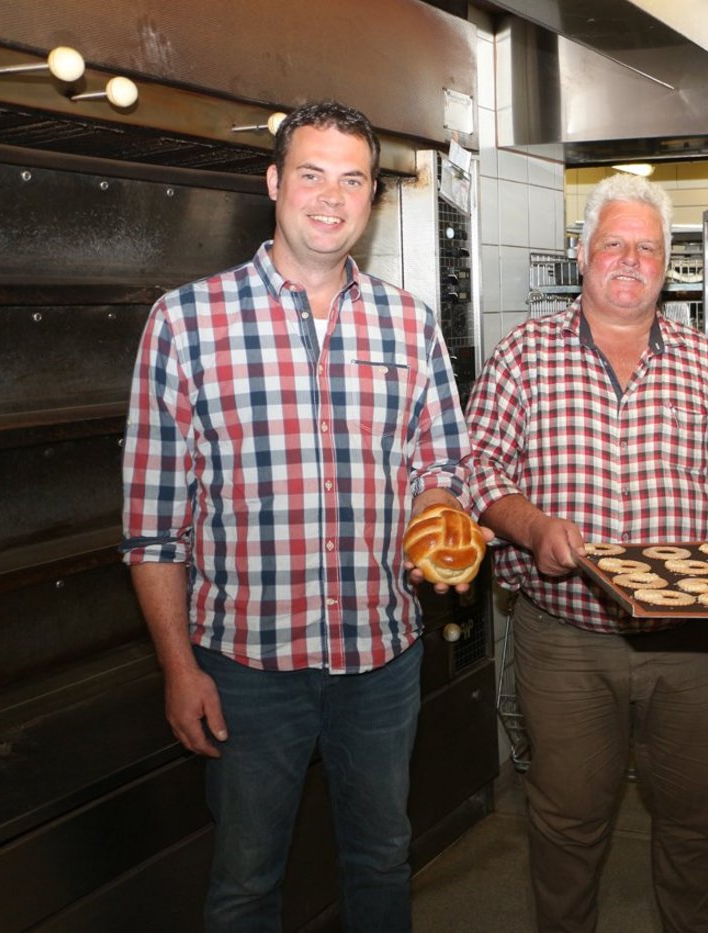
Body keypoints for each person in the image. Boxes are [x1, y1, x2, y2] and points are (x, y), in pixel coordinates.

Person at [121, 99, 474, 931]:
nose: (331, 196)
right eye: (311, 174)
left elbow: (440, 465)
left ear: (372, 197)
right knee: (246, 882)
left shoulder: (409, 325)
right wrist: (179, 667)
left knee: (382, 860)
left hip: (380, 657)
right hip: (247, 666)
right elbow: (153, 523)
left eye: (352, 179)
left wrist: (437, 515)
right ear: (274, 182)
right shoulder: (186, 322)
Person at [457, 173, 708, 933]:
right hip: (567, 640)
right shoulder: (525, 354)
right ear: (582, 254)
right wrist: (533, 527)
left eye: (648, 248)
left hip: (690, 638)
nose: (630, 261)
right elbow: (479, 471)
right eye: (613, 244)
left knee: (697, 819)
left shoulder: (703, 361)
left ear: (667, 264)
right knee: (568, 823)